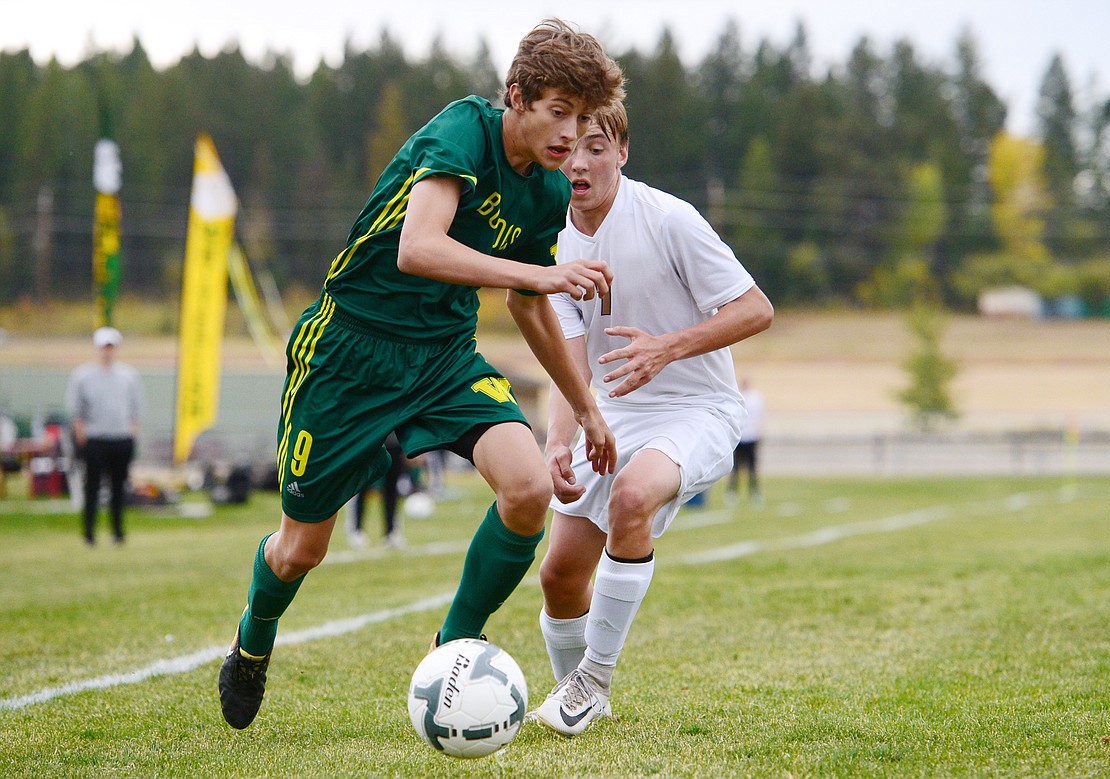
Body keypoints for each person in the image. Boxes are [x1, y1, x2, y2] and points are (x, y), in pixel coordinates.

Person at [217, 18, 624, 730]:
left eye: (584, 118)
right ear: (517, 97)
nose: (570, 134)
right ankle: (252, 640)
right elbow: (418, 246)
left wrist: (584, 406)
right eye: (559, 112)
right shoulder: (463, 130)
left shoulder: (549, 193)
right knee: (300, 548)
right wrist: (544, 272)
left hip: (440, 353)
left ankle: (455, 640)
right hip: (348, 352)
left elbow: (529, 302)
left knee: (528, 490)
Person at [530, 102, 774, 736]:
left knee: (633, 497)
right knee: (558, 576)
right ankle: (573, 693)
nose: (579, 163)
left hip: (699, 409)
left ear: (623, 153)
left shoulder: (669, 219)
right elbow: (570, 353)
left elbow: (756, 309)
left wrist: (667, 347)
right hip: (609, 412)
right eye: (568, 149)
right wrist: (559, 439)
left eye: (597, 148)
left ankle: (593, 680)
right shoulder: (552, 239)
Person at [65, 326, 144, 546]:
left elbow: (135, 409)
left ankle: (118, 532)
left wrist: (132, 433)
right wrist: (82, 435)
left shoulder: (128, 376)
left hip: (121, 438)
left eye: (110, 347)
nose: (106, 351)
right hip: (95, 439)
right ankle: (89, 532)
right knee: (92, 486)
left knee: (119, 488)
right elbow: (76, 410)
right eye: (103, 347)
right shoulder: (82, 376)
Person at [346, 432, 409, 548]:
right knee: (361, 486)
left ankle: (391, 532)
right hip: (368, 439)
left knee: (392, 489)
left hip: (393, 442)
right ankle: (356, 530)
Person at [727, 376, 765, 505]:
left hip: (751, 436)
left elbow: (760, 416)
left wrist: (759, 432)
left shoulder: (756, 397)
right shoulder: (737, 395)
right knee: (736, 468)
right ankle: (732, 492)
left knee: (752, 468)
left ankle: (754, 492)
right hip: (739, 436)